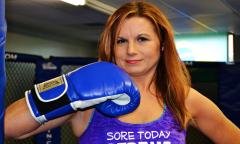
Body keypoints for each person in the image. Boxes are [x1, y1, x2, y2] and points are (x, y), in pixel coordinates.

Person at [4, 1, 240, 144]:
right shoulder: (89, 100)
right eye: (121, 40)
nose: (131, 50)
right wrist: (70, 87)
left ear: (162, 44)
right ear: (111, 45)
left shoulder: (182, 98)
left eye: (142, 39)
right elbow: (10, 127)